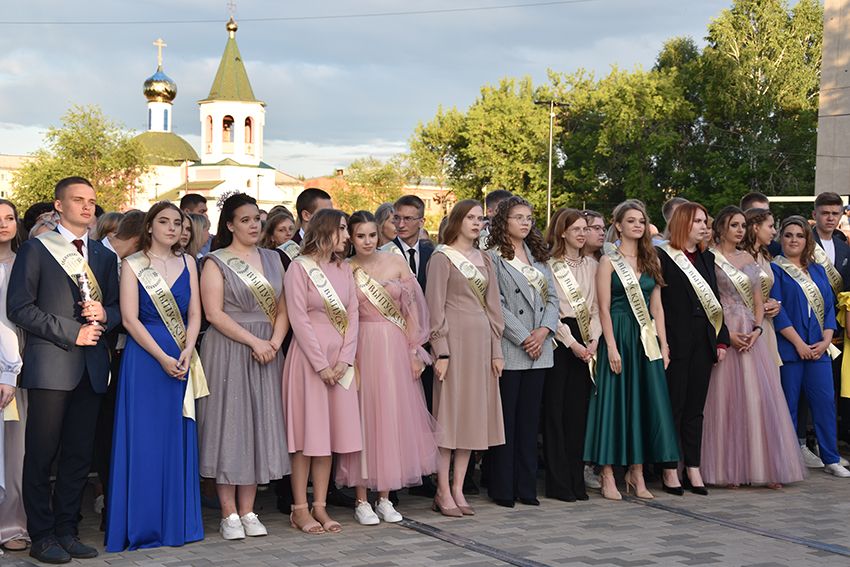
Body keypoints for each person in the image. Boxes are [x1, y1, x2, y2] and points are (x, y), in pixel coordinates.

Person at [7, 177, 120, 564]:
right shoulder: (37, 249)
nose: (88, 207)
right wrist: (74, 333)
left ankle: (67, 529)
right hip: (52, 364)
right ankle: (41, 534)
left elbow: (120, 310)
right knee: (41, 454)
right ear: (59, 205)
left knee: (77, 454)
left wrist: (107, 314)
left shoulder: (104, 258)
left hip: (91, 368)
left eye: (91, 201)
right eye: (78, 200)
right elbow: (19, 308)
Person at [105, 202, 205, 551]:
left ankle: (176, 521)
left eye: (177, 223)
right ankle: (144, 524)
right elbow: (130, 319)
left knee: (174, 435)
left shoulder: (189, 262)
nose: (172, 228)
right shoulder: (132, 264)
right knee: (144, 439)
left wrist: (188, 348)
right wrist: (163, 357)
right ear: (149, 227)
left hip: (180, 355)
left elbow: (195, 313)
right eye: (163, 221)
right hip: (146, 359)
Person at [198, 193, 291, 540]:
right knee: (230, 424)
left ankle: (249, 509)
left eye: (257, 219)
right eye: (247, 220)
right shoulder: (215, 262)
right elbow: (214, 313)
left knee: (258, 424)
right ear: (231, 225)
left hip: (269, 347)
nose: (254, 225)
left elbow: (284, 307)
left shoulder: (273, 258)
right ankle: (228, 513)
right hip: (231, 347)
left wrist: (275, 343)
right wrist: (255, 342)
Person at [336, 211, 438, 525]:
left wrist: (414, 351)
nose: (367, 241)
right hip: (362, 346)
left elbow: (412, 312)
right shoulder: (345, 268)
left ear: (379, 234)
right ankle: (361, 499)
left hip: (395, 346)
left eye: (371, 235)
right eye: (360, 236)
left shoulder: (395, 263)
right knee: (365, 417)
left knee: (391, 417)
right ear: (351, 238)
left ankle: (385, 496)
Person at [701, 206, 806, 488]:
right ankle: (728, 469)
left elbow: (758, 301)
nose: (740, 230)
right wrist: (726, 333)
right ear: (721, 228)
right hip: (725, 330)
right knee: (726, 403)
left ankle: (764, 467)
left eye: (742, 226)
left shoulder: (748, 257)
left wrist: (758, 329)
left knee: (759, 401)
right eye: (734, 225)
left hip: (751, 333)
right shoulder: (708, 258)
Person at [584, 200, 679, 500]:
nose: (638, 225)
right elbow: (602, 307)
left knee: (644, 403)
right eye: (631, 220)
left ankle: (636, 472)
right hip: (619, 334)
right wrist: (610, 347)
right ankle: (608, 472)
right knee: (615, 404)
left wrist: (663, 344)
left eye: (641, 220)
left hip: (645, 338)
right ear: (619, 224)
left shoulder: (652, 259)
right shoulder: (607, 261)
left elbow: (658, 307)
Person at [282, 208, 360, 535]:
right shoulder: (300, 269)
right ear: (325, 230)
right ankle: (299, 508)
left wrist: (345, 359)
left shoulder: (343, 269)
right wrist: (321, 364)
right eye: (341, 229)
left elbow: (353, 316)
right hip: (308, 362)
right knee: (306, 438)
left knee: (328, 439)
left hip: (340, 364)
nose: (346, 235)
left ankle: (321, 506)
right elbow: (298, 319)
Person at [425, 199, 505, 516]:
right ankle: (442, 489)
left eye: (480, 219)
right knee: (449, 420)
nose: (476, 223)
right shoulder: (442, 258)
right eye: (470, 218)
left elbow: (494, 309)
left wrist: (496, 351)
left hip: (481, 346)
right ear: (457, 221)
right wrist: (441, 351)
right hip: (453, 347)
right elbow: (434, 308)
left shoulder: (484, 259)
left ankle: (459, 488)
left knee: (472, 420)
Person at [485, 196, 558, 508]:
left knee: (530, 421)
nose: (525, 222)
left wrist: (543, 331)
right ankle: (503, 488)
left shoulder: (539, 258)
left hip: (539, 348)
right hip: (511, 346)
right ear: (504, 221)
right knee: (508, 422)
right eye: (518, 217)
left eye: (529, 217)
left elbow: (553, 298)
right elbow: (495, 303)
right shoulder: (491, 257)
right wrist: (524, 335)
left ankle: (526, 487)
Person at [656, 202, 730, 496]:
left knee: (695, 409)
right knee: (674, 406)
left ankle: (693, 467)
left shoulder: (707, 258)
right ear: (684, 223)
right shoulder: (663, 256)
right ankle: (669, 467)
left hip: (703, 341)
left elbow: (716, 301)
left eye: (705, 221)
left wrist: (721, 338)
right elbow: (657, 302)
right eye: (698, 221)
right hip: (676, 341)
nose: (704, 226)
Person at [771, 216, 850, 478]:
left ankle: (830, 457)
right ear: (781, 238)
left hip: (819, 349)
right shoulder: (775, 270)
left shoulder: (817, 270)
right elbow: (778, 313)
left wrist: (827, 339)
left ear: (808, 241)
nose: (794, 240)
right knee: (789, 406)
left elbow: (828, 307)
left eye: (799, 236)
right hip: (790, 349)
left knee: (825, 403)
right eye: (788, 235)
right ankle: (788, 459)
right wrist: (799, 344)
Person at [543, 208, 601, 502]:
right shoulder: (549, 265)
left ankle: (576, 479)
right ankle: (558, 482)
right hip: (559, 342)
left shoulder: (593, 265)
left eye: (585, 228)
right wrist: (572, 343)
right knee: (556, 414)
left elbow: (596, 309)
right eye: (576, 228)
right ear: (562, 232)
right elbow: (549, 310)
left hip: (587, 340)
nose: (581, 233)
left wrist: (593, 339)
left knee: (578, 416)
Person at [93, 210, 144, 528]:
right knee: (106, 436)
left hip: (131, 356)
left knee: (125, 434)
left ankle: (124, 504)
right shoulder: (100, 257)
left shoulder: (134, 261)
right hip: (104, 356)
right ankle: (111, 507)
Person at [0, 198, 27, 554]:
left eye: (9, 218)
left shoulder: (26, 263)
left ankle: (12, 524)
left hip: (17, 364)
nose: (3, 223)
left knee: (15, 447)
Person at [742, 208, 783, 368]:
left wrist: (775, 304)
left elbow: (765, 291)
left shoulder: (764, 254)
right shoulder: (739, 255)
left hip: (765, 322)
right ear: (755, 227)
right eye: (770, 226)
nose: (774, 232)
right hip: (747, 324)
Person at [278, 188, 334, 270]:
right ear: (306, 215)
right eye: (325, 214)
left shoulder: (334, 249)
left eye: (332, 214)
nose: (331, 219)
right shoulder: (282, 255)